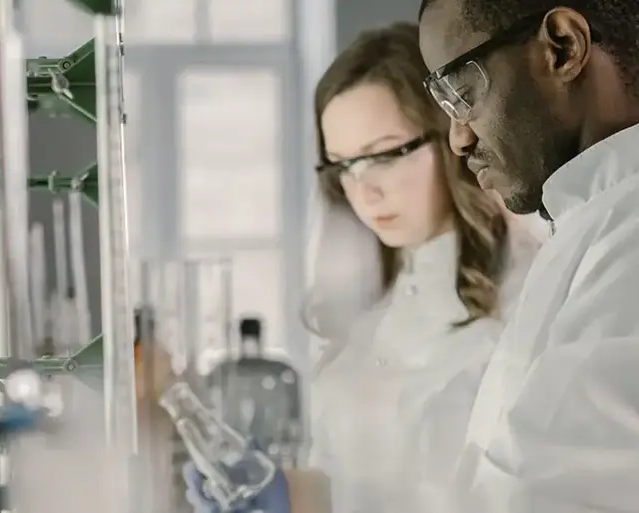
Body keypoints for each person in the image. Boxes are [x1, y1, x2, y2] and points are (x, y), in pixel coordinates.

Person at [182, 23, 541, 513]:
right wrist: (289, 492)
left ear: (451, 134)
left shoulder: (530, 297)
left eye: (387, 154)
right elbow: (364, 486)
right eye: (344, 164)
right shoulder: (368, 315)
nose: (364, 191)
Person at [417, 1, 639, 512]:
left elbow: (548, 497)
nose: (458, 137)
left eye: (461, 93)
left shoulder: (627, 237)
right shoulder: (589, 224)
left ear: (563, 46)